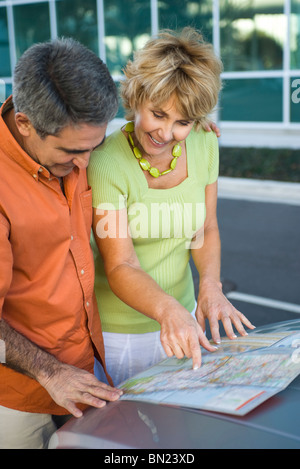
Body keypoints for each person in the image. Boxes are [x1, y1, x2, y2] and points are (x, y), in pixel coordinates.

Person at [88, 28, 255, 386]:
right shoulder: (106, 162)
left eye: (183, 122)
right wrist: (169, 311)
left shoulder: (205, 143)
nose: (166, 132)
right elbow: (120, 263)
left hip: (184, 316)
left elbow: (205, 228)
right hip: (123, 336)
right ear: (136, 98)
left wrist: (210, 286)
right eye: (158, 114)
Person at [0, 38, 123, 449]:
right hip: (18, 400)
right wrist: (50, 373)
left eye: (96, 146)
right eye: (72, 153)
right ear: (25, 124)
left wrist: (193, 132)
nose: (86, 165)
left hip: (86, 374)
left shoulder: (75, 148)